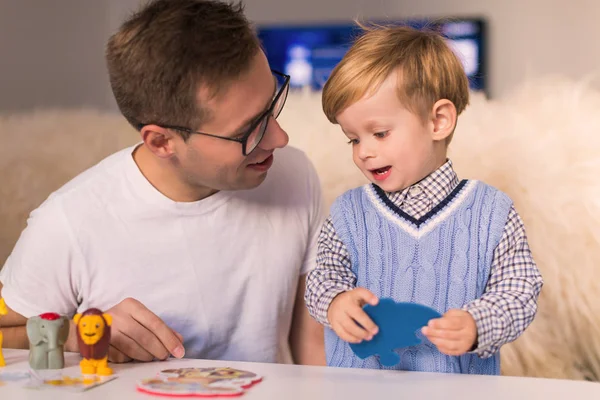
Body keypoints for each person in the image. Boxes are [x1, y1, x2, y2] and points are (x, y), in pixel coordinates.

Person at [0, 0, 325, 366]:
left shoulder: (294, 175)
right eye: (250, 130)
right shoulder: (68, 222)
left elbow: (312, 350)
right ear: (161, 142)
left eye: (273, 102)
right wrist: (81, 333)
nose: (279, 138)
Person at [305, 24, 543, 374]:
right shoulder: (348, 213)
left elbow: (520, 289)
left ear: (438, 121)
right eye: (353, 139)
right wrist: (335, 302)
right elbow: (322, 277)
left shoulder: (493, 212)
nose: (364, 153)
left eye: (379, 133)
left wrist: (480, 323)